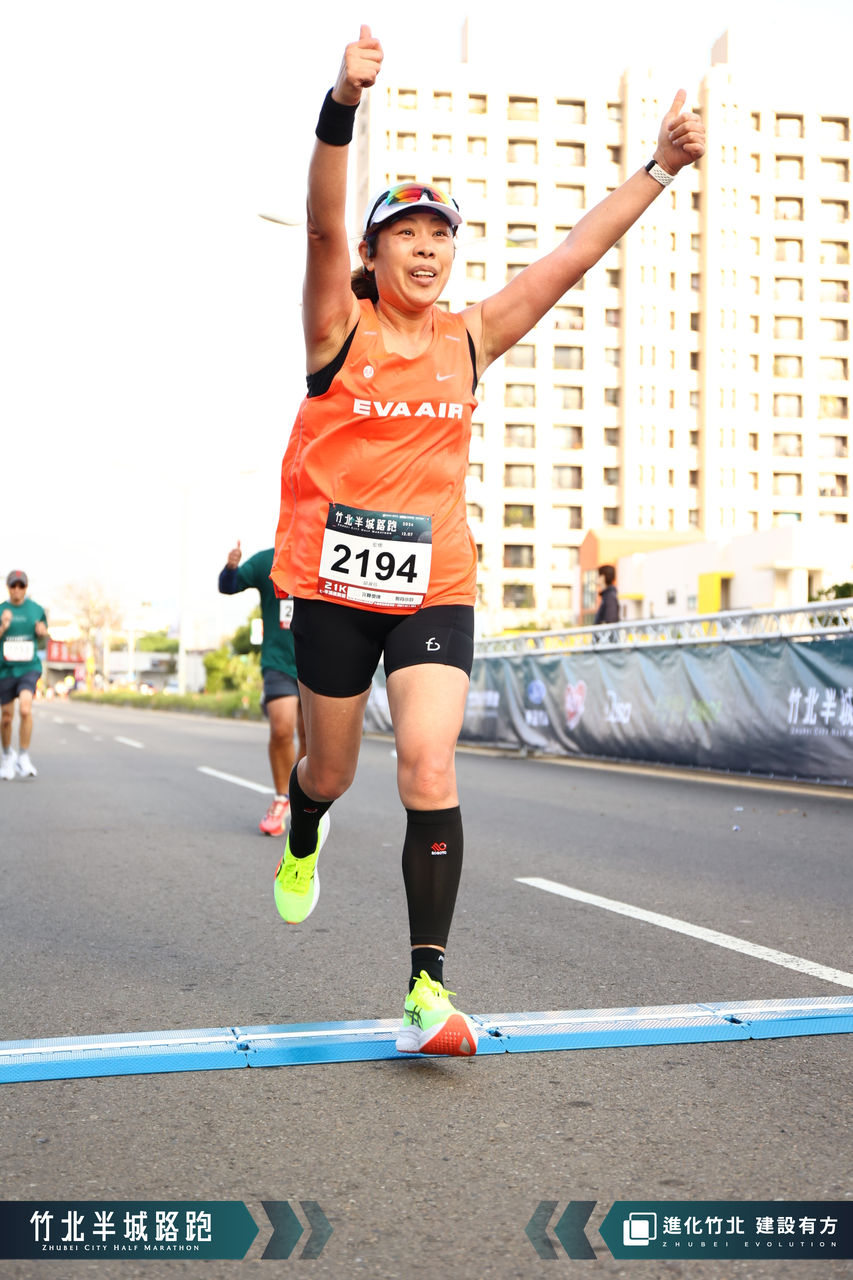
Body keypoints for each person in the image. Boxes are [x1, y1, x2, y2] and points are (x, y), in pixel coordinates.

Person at [268, 26, 705, 1056]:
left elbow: (571, 257)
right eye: (405, 233)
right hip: (332, 588)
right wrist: (341, 104)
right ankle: (303, 825)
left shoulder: (468, 337)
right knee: (330, 772)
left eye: (441, 235)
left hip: (434, 585)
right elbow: (321, 223)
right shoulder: (336, 329)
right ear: (373, 255)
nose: (426, 248)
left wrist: (658, 168)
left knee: (428, 767)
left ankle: (426, 988)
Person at [218, 541, 306, 835]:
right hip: (278, 661)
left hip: (318, 661)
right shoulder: (268, 559)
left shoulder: (326, 553)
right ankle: (282, 797)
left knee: (312, 738)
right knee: (281, 729)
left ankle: (305, 799)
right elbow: (229, 586)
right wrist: (231, 569)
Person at [0, 570, 48, 780]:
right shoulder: (1, 610)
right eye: (13, 585)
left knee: (26, 709)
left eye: (21, 585)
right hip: (5, 669)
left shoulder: (36, 610)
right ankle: (7, 755)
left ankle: (23, 756)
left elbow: (43, 638)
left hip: (29, 667)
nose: (17, 589)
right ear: (8, 587)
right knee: (6, 718)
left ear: (26, 588)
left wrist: (42, 632)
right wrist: (3, 626)